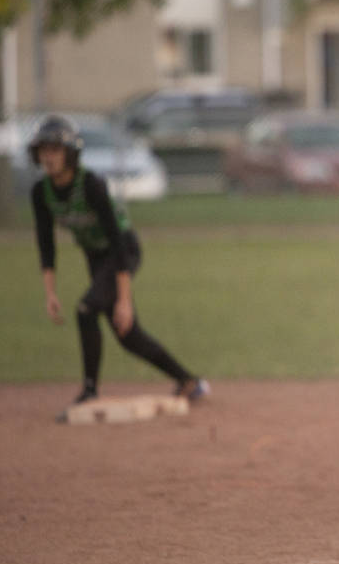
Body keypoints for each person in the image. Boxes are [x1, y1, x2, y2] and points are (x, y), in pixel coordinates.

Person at [28, 115, 209, 407]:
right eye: (43, 150)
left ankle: (90, 391)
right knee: (128, 336)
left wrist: (124, 300)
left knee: (87, 309)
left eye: (55, 149)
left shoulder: (91, 184)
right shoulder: (41, 192)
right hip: (95, 257)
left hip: (123, 251)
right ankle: (189, 381)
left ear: (70, 153)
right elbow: (45, 243)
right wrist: (50, 293)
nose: (48, 157)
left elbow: (116, 239)